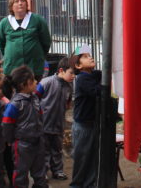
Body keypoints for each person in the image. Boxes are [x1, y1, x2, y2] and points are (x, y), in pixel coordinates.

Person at [3, 65, 47, 188]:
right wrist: (10, 140)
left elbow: (40, 116)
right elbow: (7, 124)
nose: (36, 82)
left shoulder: (34, 98)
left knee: (40, 171)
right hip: (22, 144)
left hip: (37, 141)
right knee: (21, 173)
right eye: (33, 80)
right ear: (23, 85)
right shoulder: (15, 104)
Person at [37, 56, 74, 180]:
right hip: (44, 123)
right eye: (71, 73)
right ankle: (43, 172)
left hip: (58, 123)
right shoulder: (46, 82)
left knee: (57, 149)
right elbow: (35, 98)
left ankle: (58, 171)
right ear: (61, 70)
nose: (73, 76)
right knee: (44, 150)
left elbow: (68, 103)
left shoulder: (69, 86)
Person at [0, 0, 51, 76]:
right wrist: (10, 54)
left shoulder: (37, 20)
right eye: (16, 1)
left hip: (34, 67)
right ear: (11, 6)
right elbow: (1, 43)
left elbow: (46, 41)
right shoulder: (4, 23)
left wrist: (39, 55)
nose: (20, 3)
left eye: (22, 0)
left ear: (26, 4)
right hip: (12, 68)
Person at [69, 45, 100, 188]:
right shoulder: (82, 79)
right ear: (78, 65)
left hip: (90, 124)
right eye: (86, 56)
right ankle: (77, 185)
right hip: (83, 127)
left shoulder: (90, 76)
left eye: (90, 55)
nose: (91, 57)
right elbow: (97, 91)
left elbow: (99, 74)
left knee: (92, 158)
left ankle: (89, 184)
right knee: (82, 160)